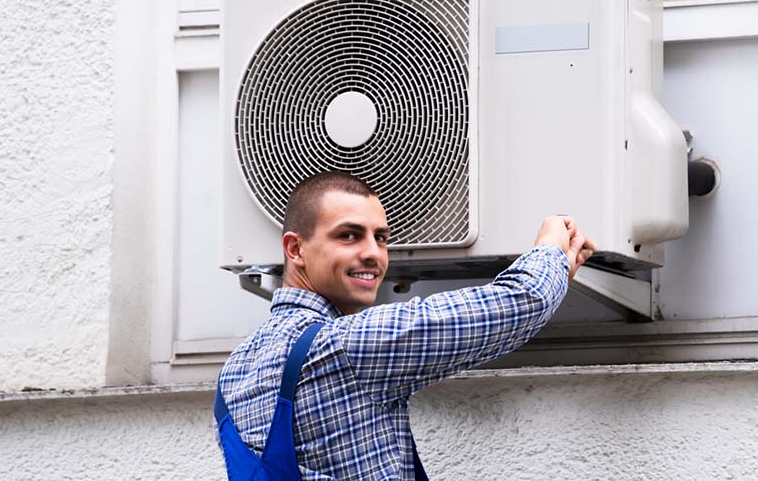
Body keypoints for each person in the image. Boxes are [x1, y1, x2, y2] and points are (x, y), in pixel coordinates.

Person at [217, 172, 594, 480]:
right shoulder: (347, 346)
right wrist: (551, 250)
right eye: (348, 235)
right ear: (295, 249)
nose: (372, 253)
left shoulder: (234, 370)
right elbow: (523, 301)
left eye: (380, 238)